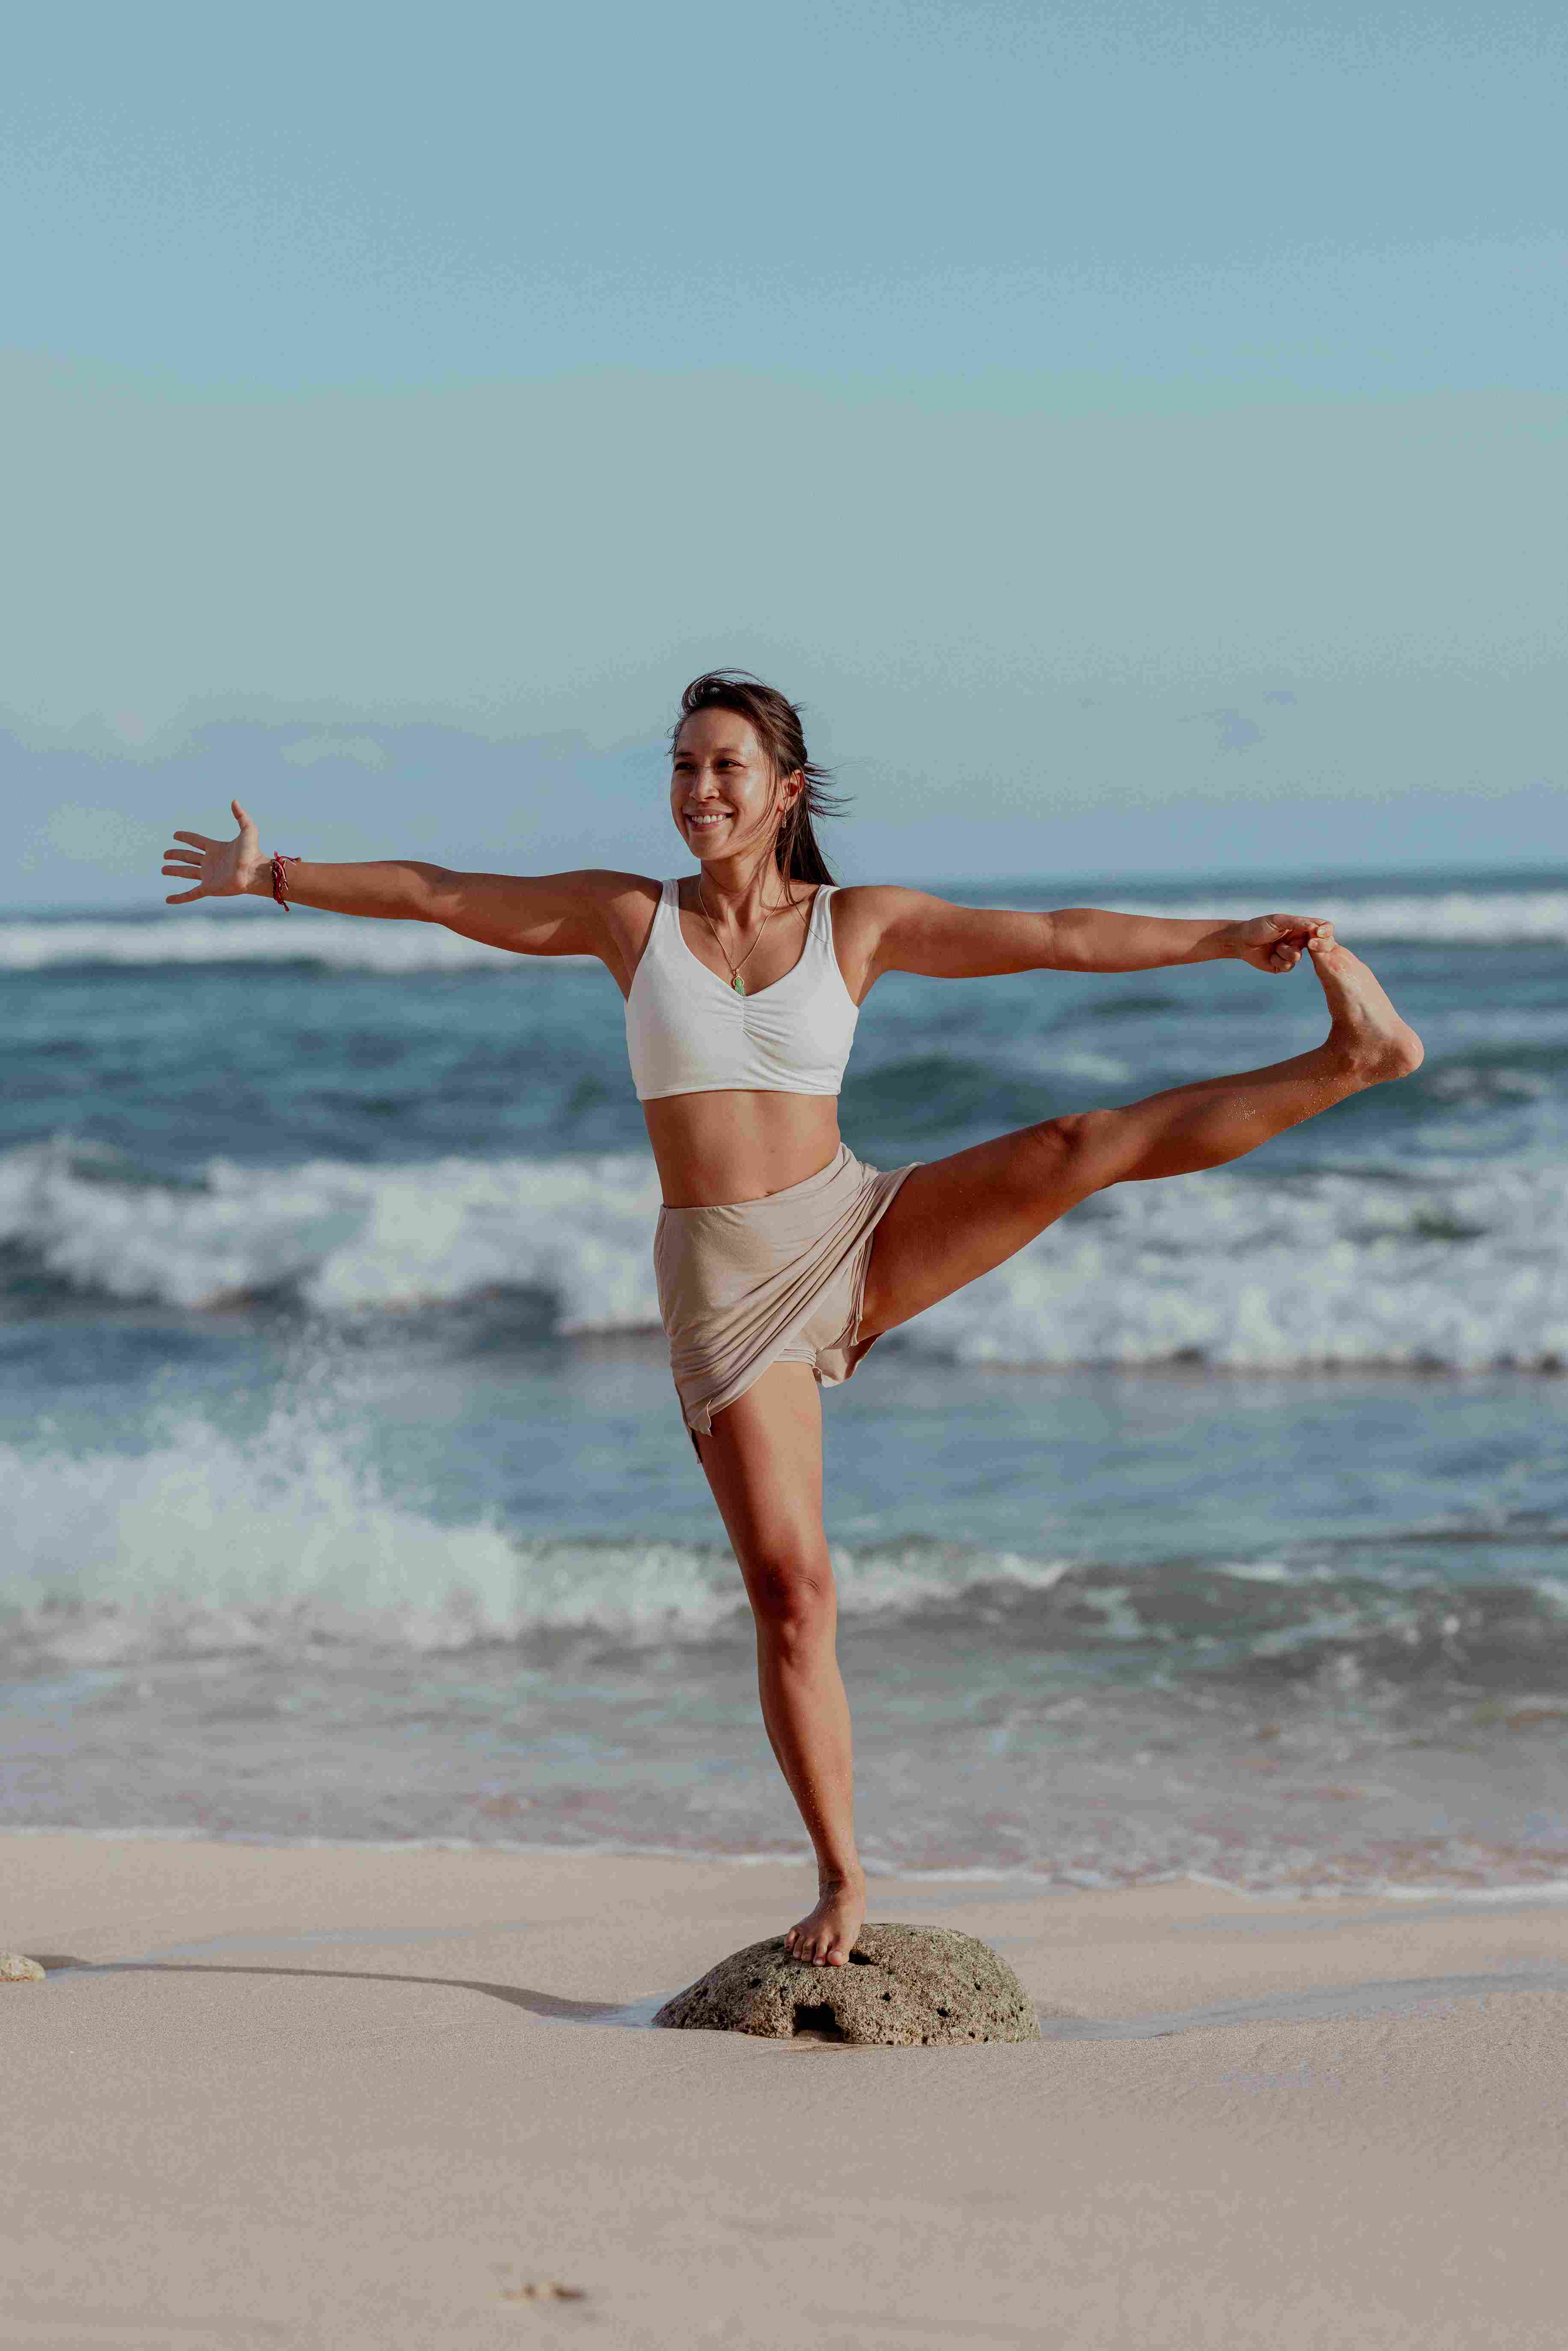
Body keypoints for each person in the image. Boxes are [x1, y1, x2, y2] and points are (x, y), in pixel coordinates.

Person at [163, 669, 1423, 1966]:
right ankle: (840, 1877)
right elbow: (439, 894)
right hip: (725, 1286)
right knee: (793, 1590)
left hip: (849, 1225)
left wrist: (1219, 939)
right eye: (683, 767)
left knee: (1074, 1142)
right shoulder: (624, 918)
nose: (698, 791)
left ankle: (1350, 1061)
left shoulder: (856, 925)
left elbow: (1053, 936)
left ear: (784, 791)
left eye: (724, 769)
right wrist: (275, 876)